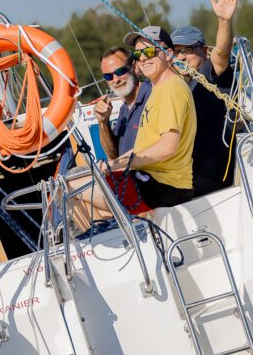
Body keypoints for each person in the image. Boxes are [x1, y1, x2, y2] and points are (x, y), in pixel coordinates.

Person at [69, 26, 196, 219]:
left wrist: (118, 164)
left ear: (168, 54)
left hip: (161, 186)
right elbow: (137, 149)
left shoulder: (170, 89)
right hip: (152, 182)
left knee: (69, 185)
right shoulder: (159, 90)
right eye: (139, 53)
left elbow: (168, 146)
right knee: (75, 183)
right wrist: (114, 162)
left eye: (150, 51)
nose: (144, 58)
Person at [171, 0, 240, 196]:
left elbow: (221, 53)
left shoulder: (211, 72)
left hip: (212, 178)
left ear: (204, 50)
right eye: (176, 52)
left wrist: (224, 21)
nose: (181, 56)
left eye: (188, 50)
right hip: (191, 174)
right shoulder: (183, 86)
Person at [93, 46, 151, 160]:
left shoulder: (152, 94)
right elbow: (113, 156)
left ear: (134, 67)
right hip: (130, 175)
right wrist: (103, 122)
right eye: (108, 76)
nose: (116, 80)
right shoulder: (124, 110)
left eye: (120, 71)